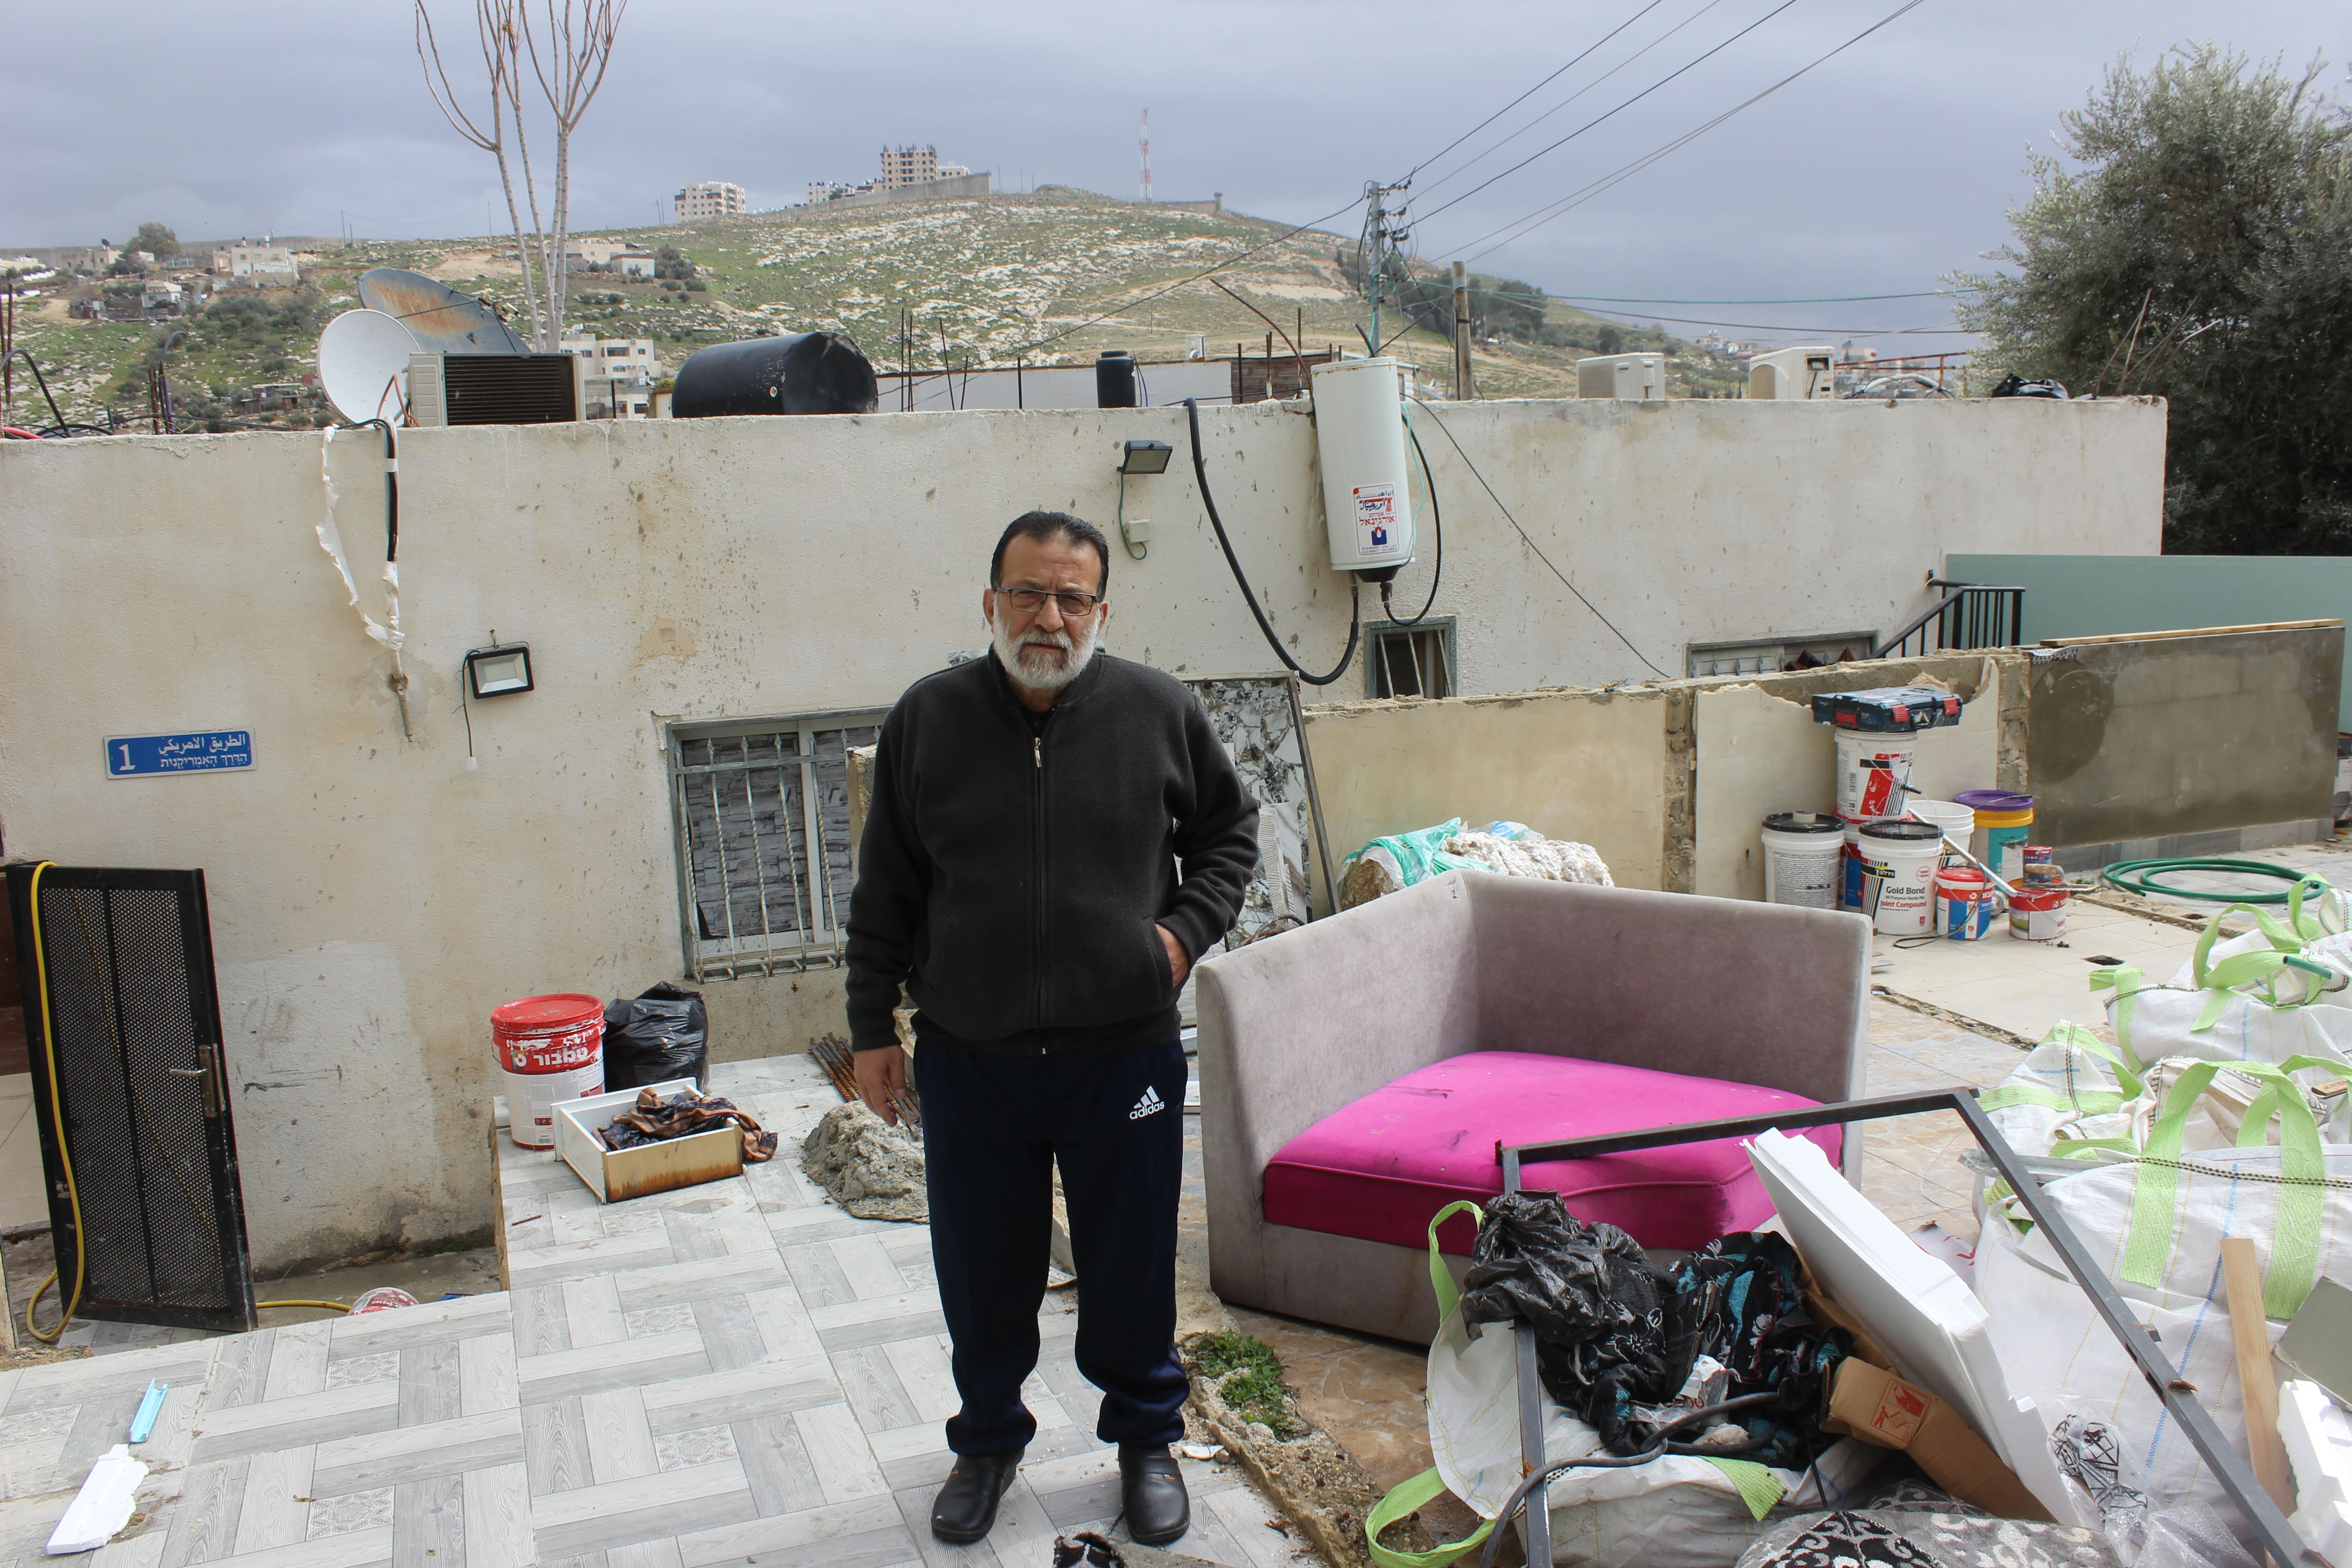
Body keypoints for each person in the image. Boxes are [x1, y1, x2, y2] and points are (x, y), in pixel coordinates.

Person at [845, 510, 1259, 1547]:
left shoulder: (1158, 710)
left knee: (1130, 1262)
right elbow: (887, 884)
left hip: (1122, 1054)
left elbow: (1229, 834)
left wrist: (1177, 940)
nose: (1049, 617)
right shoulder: (929, 718)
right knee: (982, 1269)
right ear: (991, 603)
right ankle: (988, 1441)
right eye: (1028, 593)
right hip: (972, 1056)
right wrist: (870, 1025)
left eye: (1072, 597)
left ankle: (1146, 1439)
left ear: (1101, 612)